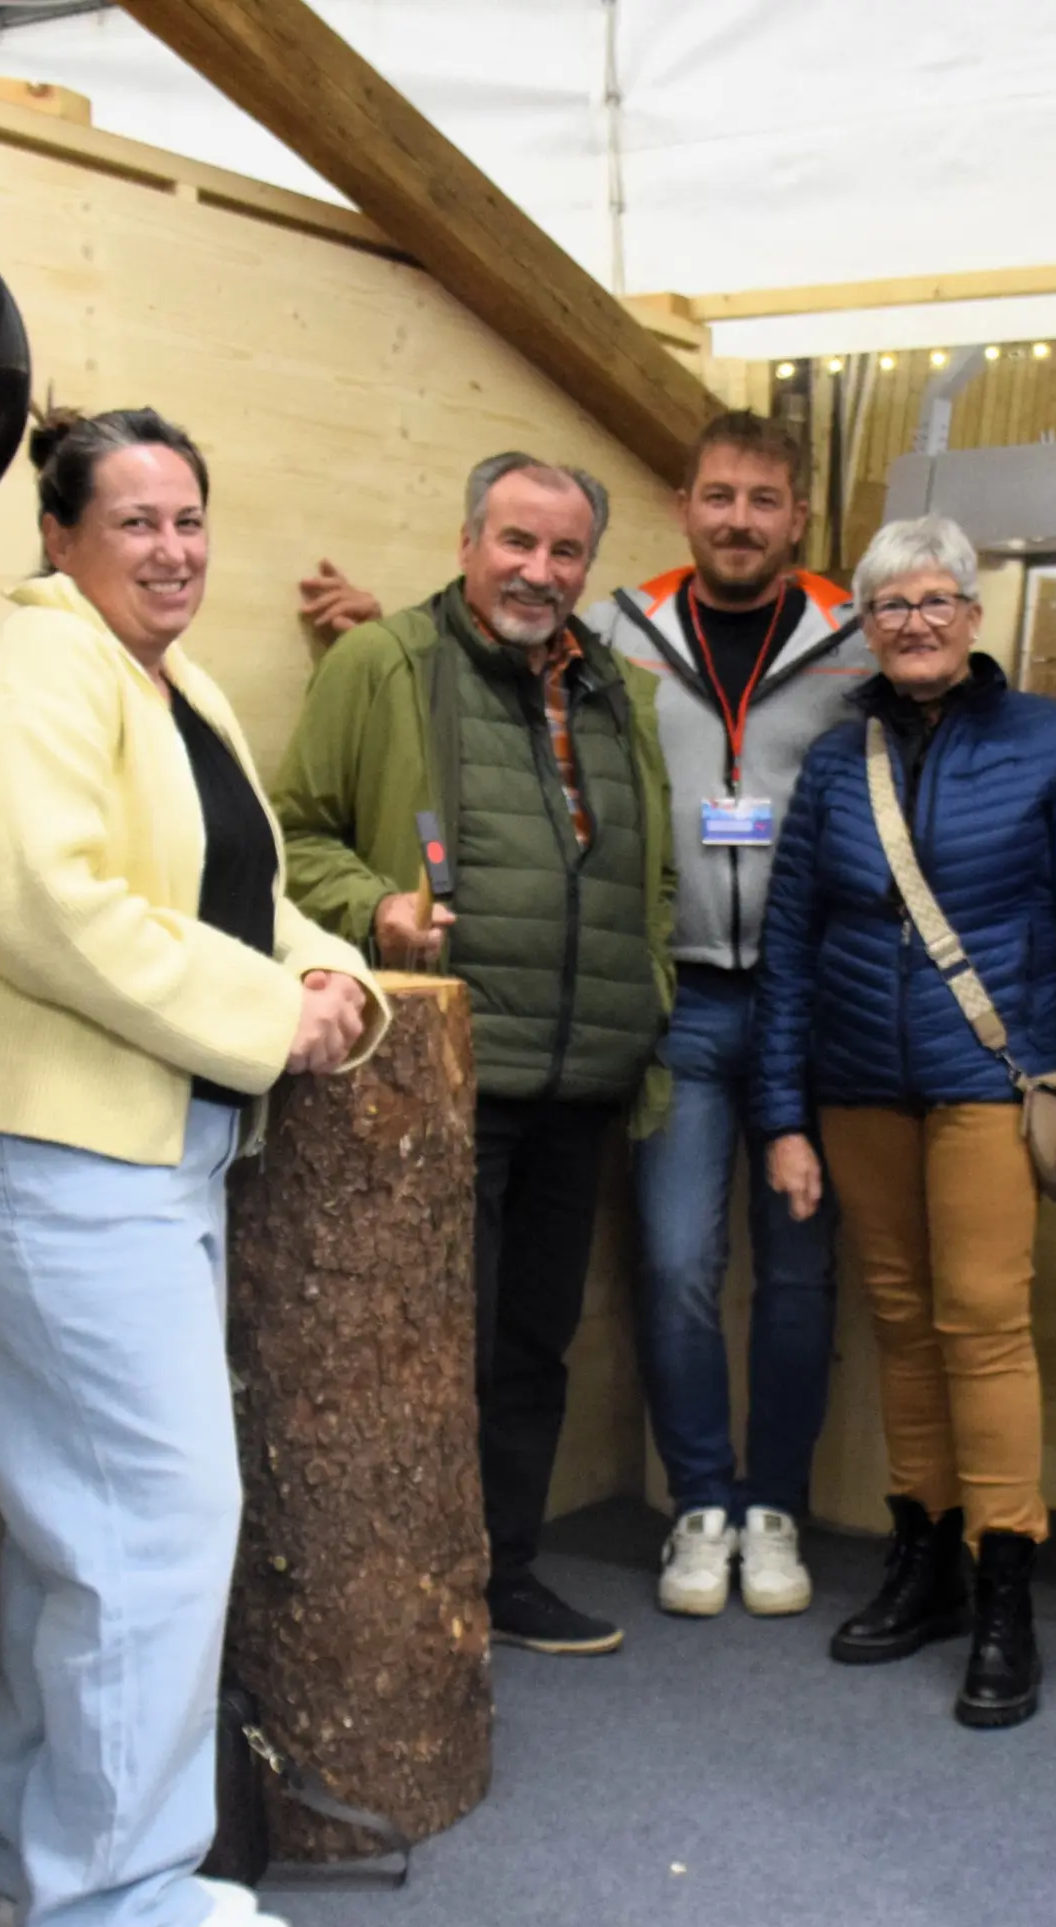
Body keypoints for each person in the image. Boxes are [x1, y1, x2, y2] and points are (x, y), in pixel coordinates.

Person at [0, 406, 386, 1927]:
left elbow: (244, 892)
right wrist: (269, 1017)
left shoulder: (177, 686)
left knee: (85, 1535)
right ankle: (109, 1909)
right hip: (39, 1153)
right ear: (60, 536)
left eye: (190, 519)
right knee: (152, 1522)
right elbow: (51, 908)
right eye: (136, 522)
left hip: (143, 1154)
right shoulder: (30, 672)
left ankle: (55, 1869)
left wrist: (332, 973)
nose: (172, 550)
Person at [274, 452, 674, 1657]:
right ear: (466, 544)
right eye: (516, 541)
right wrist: (376, 910)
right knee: (443, 1342)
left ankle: (507, 1573)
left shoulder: (621, 692)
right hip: (444, 1081)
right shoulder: (382, 664)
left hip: (581, 1081)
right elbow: (295, 837)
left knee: (534, 1343)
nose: (538, 571)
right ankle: (419, 1590)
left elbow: (651, 872)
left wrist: (648, 999)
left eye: (565, 551)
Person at [755, 514, 1056, 1729]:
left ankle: (1003, 1587)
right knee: (901, 1325)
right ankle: (921, 1558)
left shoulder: (1049, 741)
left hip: (991, 1080)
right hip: (858, 1083)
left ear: (975, 615)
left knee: (982, 1324)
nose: (915, 623)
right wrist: (783, 1114)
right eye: (891, 606)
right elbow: (790, 947)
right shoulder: (837, 760)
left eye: (935, 601)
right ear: (866, 627)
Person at [583, 411, 871, 1621]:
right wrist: (365, 631)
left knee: (799, 1277)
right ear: (685, 506)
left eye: (763, 500)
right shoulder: (618, 631)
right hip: (681, 998)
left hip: (812, 1007)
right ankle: (702, 1502)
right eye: (718, 497)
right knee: (675, 1263)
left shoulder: (857, 637)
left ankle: (777, 1506)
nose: (738, 521)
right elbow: (497, 662)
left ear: (798, 516)